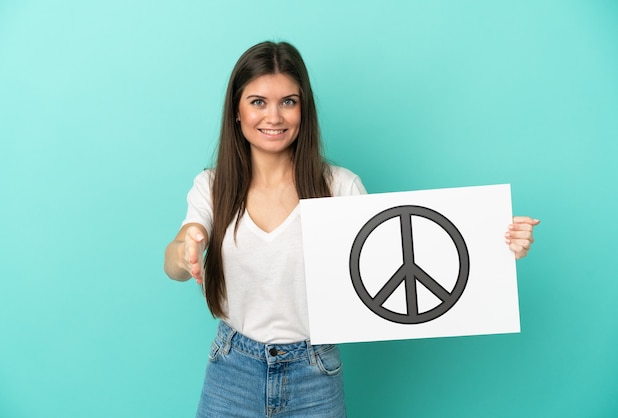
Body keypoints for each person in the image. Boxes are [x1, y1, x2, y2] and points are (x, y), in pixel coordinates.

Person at [164, 41, 539, 417]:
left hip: (314, 371)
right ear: (236, 111)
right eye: (258, 102)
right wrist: (186, 251)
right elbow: (177, 257)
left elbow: (398, 263)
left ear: (304, 109)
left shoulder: (339, 186)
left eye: (289, 102)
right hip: (233, 369)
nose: (274, 116)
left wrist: (497, 243)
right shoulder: (212, 186)